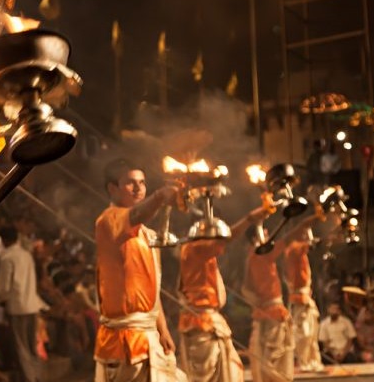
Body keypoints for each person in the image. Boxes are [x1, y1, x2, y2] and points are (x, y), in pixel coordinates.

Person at [93, 158, 185, 382]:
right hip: (124, 342)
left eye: (143, 183)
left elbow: (152, 290)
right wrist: (161, 196)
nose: (138, 188)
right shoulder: (108, 220)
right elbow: (135, 216)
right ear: (112, 188)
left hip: (149, 336)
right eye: (130, 183)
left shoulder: (148, 235)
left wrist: (162, 329)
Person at [177, 206, 270, 382]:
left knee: (231, 372)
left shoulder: (204, 253)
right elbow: (227, 238)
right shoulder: (194, 248)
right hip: (200, 324)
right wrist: (249, 218)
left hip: (210, 321)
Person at [243, 214, 320, 382]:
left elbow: (247, 289)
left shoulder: (251, 257)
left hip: (265, 314)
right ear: (257, 236)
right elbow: (288, 237)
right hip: (273, 315)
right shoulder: (261, 254)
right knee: (277, 364)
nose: (268, 234)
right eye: (264, 231)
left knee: (270, 362)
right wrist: (310, 219)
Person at [0, 226, 46, 382]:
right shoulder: (27, 255)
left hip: (17, 308)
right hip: (32, 305)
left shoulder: (7, 258)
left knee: (21, 347)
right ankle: (37, 377)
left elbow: (4, 289)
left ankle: (29, 379)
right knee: (32, 346)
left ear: (3, 240)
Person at [283, 226, 325, 372]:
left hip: (306, 297)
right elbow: (310, 243)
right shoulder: (294, 249)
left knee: (312, 333)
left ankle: (313, 361)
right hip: (299, 298)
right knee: (304, 334)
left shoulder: (301, 253)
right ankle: (304, 362)